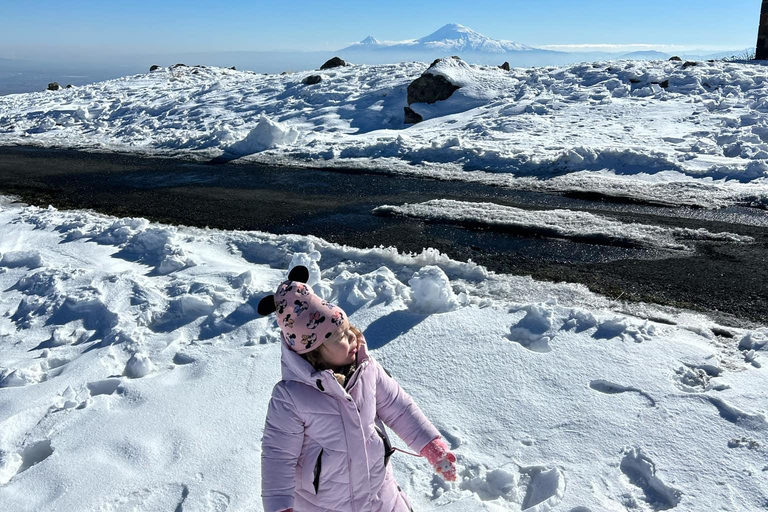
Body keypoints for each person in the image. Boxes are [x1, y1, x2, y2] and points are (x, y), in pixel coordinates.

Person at [258, 265, 457, 512]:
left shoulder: (366, 369)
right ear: (313, 351)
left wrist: (430, 445)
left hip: (380, 496)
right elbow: (278, 457)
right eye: (339, 337)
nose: (352, 337)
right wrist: (280, 507)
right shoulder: (291, 397)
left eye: (348, 328)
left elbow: (399, 408)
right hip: (323, 506)